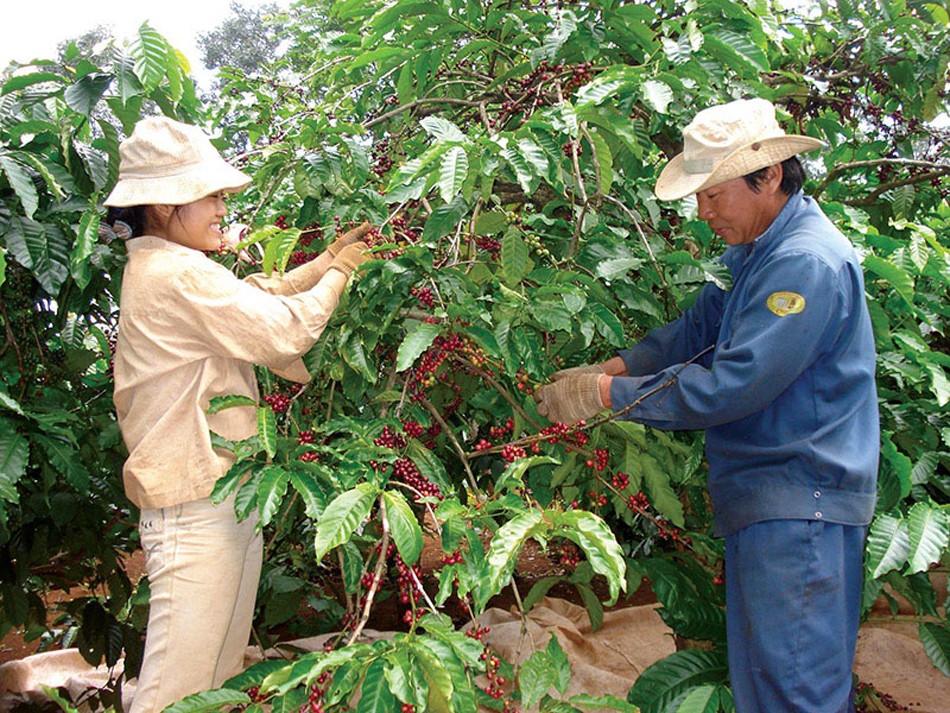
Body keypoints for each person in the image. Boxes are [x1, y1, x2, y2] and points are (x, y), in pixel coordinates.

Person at [533, 98, 879, 712]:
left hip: (803, 505)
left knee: (795, 689)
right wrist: (609, 369)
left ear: (768, 176)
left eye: (714, 194)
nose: (703, 211)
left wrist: (604, 397)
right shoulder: (759, 254)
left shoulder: (803, 263)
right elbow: (696, 332)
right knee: (767, 681)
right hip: (769, 500)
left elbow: (733, 384)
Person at [104, 116, 374, 713]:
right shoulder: (174, 274)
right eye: (213, 195)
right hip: (195, 506)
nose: (224, 206)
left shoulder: (171, 268)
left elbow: (254, 299)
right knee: (175, 692)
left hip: (219, 498)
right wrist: (341, 271)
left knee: (216, 680)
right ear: (166, 201)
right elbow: (283, 331)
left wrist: (326, 259)